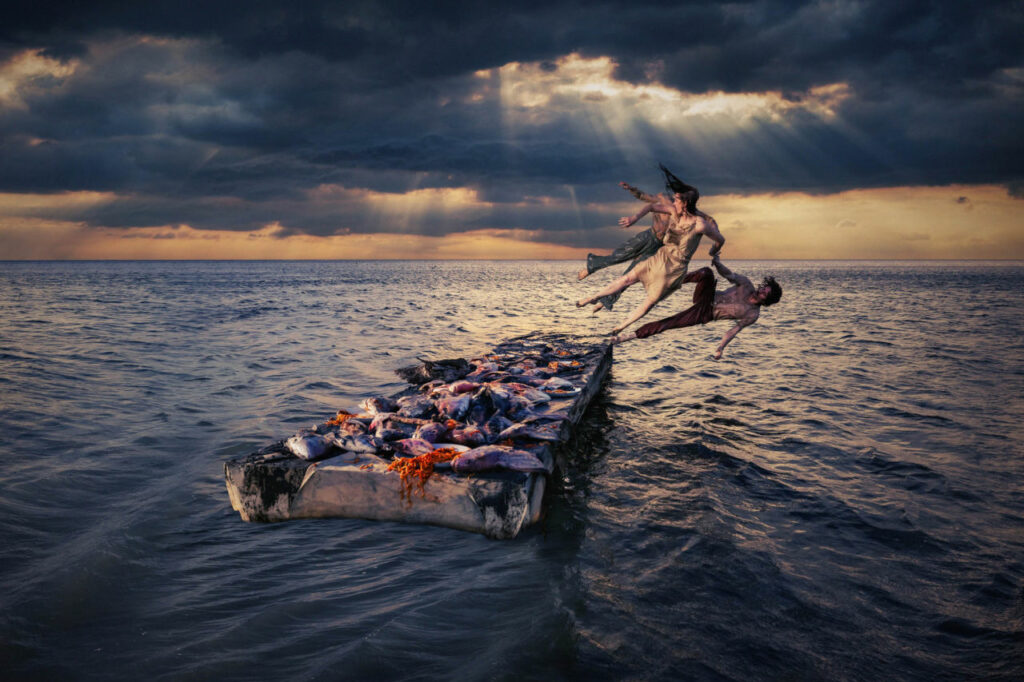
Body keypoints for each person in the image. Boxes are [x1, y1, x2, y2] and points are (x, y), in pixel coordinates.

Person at [576, 175, 726, 334]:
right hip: (656, 247)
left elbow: (717, 235)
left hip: (670, 263)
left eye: (677, 199)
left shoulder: (699, 222)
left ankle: (615, 319)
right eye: (674, 197)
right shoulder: (669, 206)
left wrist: (713, 251)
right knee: (622, 267)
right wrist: (633, 215)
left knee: (643, 292)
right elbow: (649, 204)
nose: (674, 201)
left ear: (685, 202)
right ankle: (592, 289)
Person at [609, 255, 781, 359]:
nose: (761, 291)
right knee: (707, 272)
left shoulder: (752, 314)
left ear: (767, 300)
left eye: (765, 293)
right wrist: (718, 262)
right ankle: (671, 281)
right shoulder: (746, 284)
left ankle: (625, 338)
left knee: (668, 324)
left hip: (705, 313)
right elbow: (728, 274)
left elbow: (733, 331)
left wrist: (720, 348)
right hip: (706, 296)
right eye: (763, 288)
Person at [576, 180, 672, 313]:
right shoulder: (662, 198)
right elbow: (644, 196)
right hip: (648, 236)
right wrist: (631, 188)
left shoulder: (684, 211)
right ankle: (591, 267)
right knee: (619, 256)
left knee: (631, 275)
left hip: (658, 247)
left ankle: (606, 300)